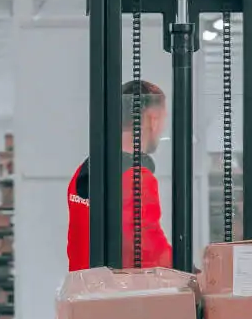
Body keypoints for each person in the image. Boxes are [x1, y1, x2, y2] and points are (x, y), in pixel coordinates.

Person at [66, 80, 172, 271]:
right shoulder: (136, 177)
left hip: (87, 293)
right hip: (116, 296)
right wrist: (191, 271)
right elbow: (148, 251)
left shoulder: (84, 173)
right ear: (153, 120)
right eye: (163, 119)